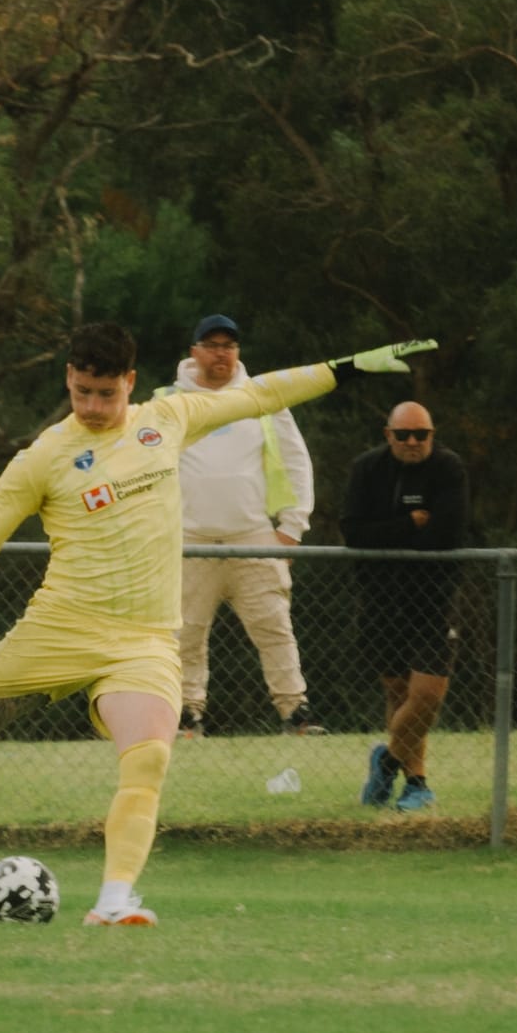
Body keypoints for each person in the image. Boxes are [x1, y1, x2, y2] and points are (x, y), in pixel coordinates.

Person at [0, 319, 436, 925]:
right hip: (59, 630)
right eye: (81, 392)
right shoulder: (44, 457)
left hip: (143, 643)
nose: (94, 407)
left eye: (107, 393)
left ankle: (114, 900)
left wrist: (348, 366)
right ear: (69, 380)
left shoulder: (168, 419)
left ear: (131, 382)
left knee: (148, 759)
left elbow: (262, 394)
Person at [173, 311, 322, 739]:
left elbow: (296, 461)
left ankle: (296, 711)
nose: (222, 354)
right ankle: (187, 715)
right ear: (195, 352)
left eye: (230, 346)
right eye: (213, 345)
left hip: (253, 537)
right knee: (185, 634)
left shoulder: (264, 397)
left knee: (274, 627)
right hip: (189, 540)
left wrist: (292, 528)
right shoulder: (170, 401)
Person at [340, 400, 470, 812]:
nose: (413, 442)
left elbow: (446, 535)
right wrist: (409, 525)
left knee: (428, 694)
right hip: (380, 598)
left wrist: (392, 537)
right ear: (388, 435)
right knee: (399, 694)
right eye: (403, 435)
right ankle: (416, 783)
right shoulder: (367, 468)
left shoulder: (448, 468)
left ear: (433, 435)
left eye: (422, 434)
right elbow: (354, 533)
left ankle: (388, 759)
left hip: (433, 598)